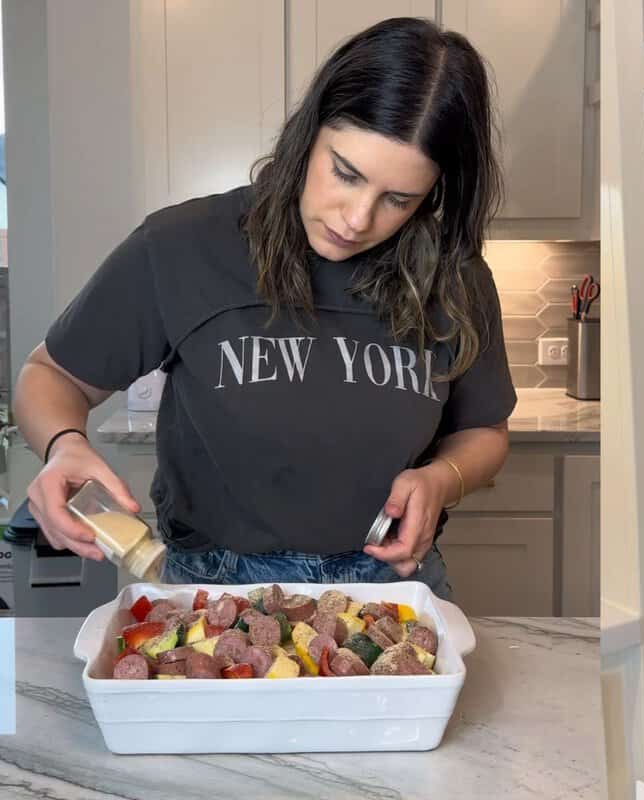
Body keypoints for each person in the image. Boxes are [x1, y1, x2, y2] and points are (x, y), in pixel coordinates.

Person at [11, 18, 515, 598]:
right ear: (309, 133)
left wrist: (443, 477)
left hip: (395, 588)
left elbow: (484, 431)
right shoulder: (181, 246)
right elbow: (48, 374)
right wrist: (64, 446)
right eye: (345, 173)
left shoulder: (456, 277)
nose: (357, 218)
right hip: (214, 589)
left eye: (398, 200)